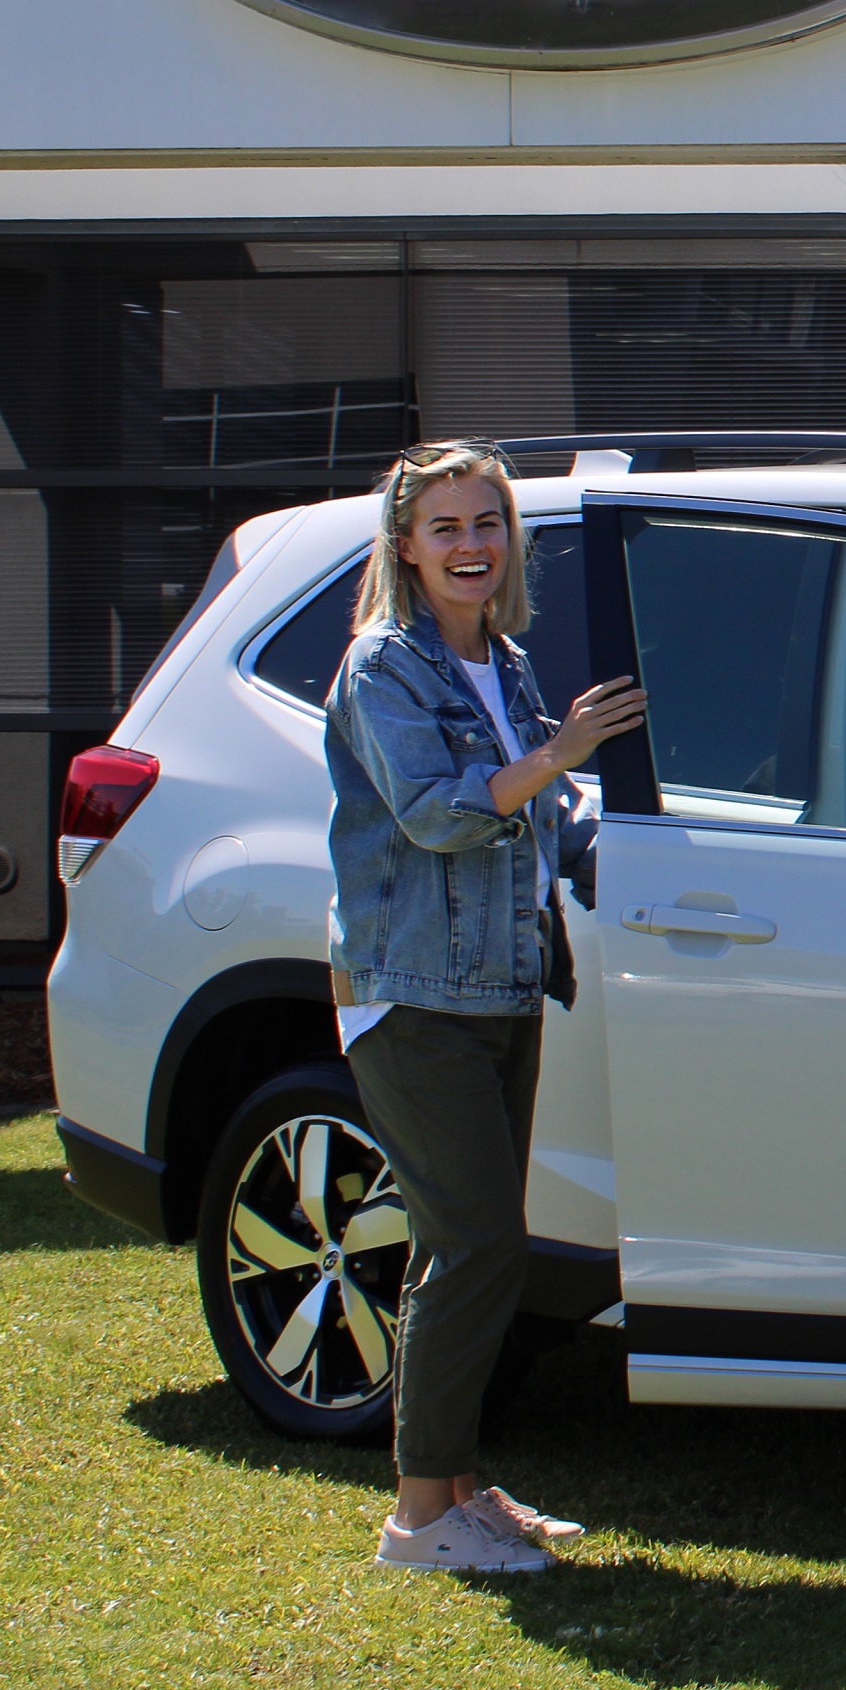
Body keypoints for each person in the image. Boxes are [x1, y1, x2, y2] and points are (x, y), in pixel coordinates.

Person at [324, 442, 645, 1574]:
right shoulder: (384, 669)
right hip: (411, 997)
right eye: (448, 527)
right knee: (477, 1245)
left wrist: (641, 847)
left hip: (505, 986)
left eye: (488, 524)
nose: (471, 546)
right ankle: (418, 1520)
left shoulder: (500, 664)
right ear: (405, 546)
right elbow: (437, 814)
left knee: (458, 1249)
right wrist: (559, 751)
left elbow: (543, 817)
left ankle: (457, 1488)